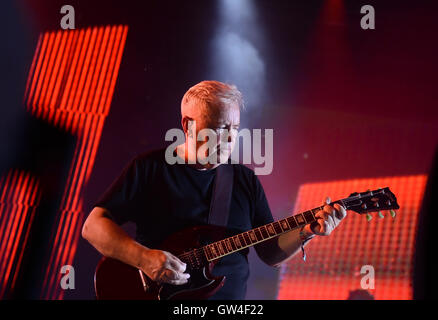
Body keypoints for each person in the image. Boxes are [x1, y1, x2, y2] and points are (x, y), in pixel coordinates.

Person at [81, 80, 347, 299]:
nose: (230, 138)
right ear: (188, 125)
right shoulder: (150, 168)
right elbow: (93, 226)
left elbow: (271, 254)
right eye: (220, 128)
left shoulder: (244, 180)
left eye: (234, 128)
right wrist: (143, 258)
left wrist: (306, 232)